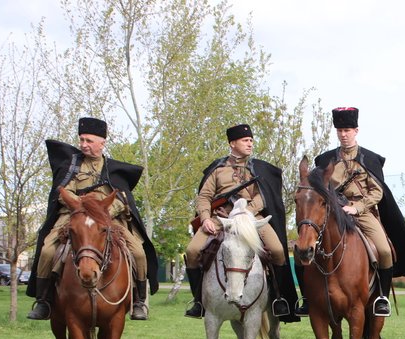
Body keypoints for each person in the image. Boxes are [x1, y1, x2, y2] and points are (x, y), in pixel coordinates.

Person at [299, 107, 405, 317]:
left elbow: (377, 192)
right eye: (340, 130)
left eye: (348, 129)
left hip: (363, 211)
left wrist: (356, 207)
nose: (344, 134)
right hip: (333, 212)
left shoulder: (370, 159)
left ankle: (381, 299)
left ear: (356, 130)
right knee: (304, 246)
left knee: (385, 251)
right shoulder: (325, 160)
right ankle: (307, 299)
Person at [27, 118, 158, 321]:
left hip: (108, 218)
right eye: (81, 140)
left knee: (139, 253)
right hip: (74, 215)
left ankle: (139, 301)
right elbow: (62, 192)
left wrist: (104, 210)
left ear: (102, 143)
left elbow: (122, 199)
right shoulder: (71, 166)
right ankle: (43, 301)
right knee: (47, 250)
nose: (83, 145)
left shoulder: (114, 170)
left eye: (88, 140)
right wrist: (80, 206)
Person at [184, 124, 299, 322]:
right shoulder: (218, 169)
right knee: (192, 251)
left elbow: (264, 197)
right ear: (232, 143)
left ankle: (279, 299)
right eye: (245, 140)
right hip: (220, 218)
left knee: (278, 251)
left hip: (251, 218)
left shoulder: (259, 169)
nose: (250, 144)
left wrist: (247, 211)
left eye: (251, 140)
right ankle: (198, 301)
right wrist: (205, 219)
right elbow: (204, 197)